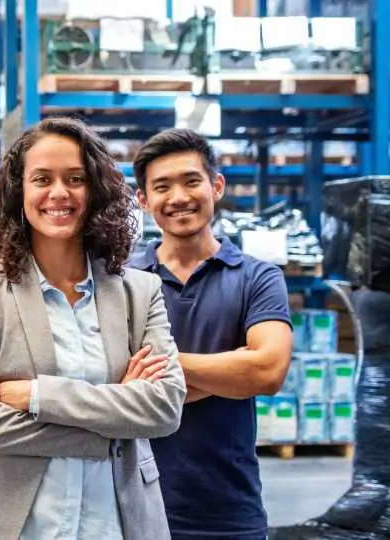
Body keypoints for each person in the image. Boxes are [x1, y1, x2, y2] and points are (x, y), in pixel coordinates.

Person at [0, 117, 186, 540]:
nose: (59, 193)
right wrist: (112, 424)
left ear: (94, 190)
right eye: (42, 178)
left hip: (117, 523)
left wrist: (40, 396)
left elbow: (164, 407)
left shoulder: (140, 291)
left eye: (75, 178)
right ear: (19, 191)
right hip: (17, 525)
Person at [129, 128, 293, 540]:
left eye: (191, 181)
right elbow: (106, 375)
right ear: (144, 200)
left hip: (227, 511)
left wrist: (161, 370)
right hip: (130, 505)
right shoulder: (123, 279)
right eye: (162, 186)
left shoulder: (259, 277)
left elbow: (266, 371)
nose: (179, 197)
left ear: (216, 186)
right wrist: (226, 372)